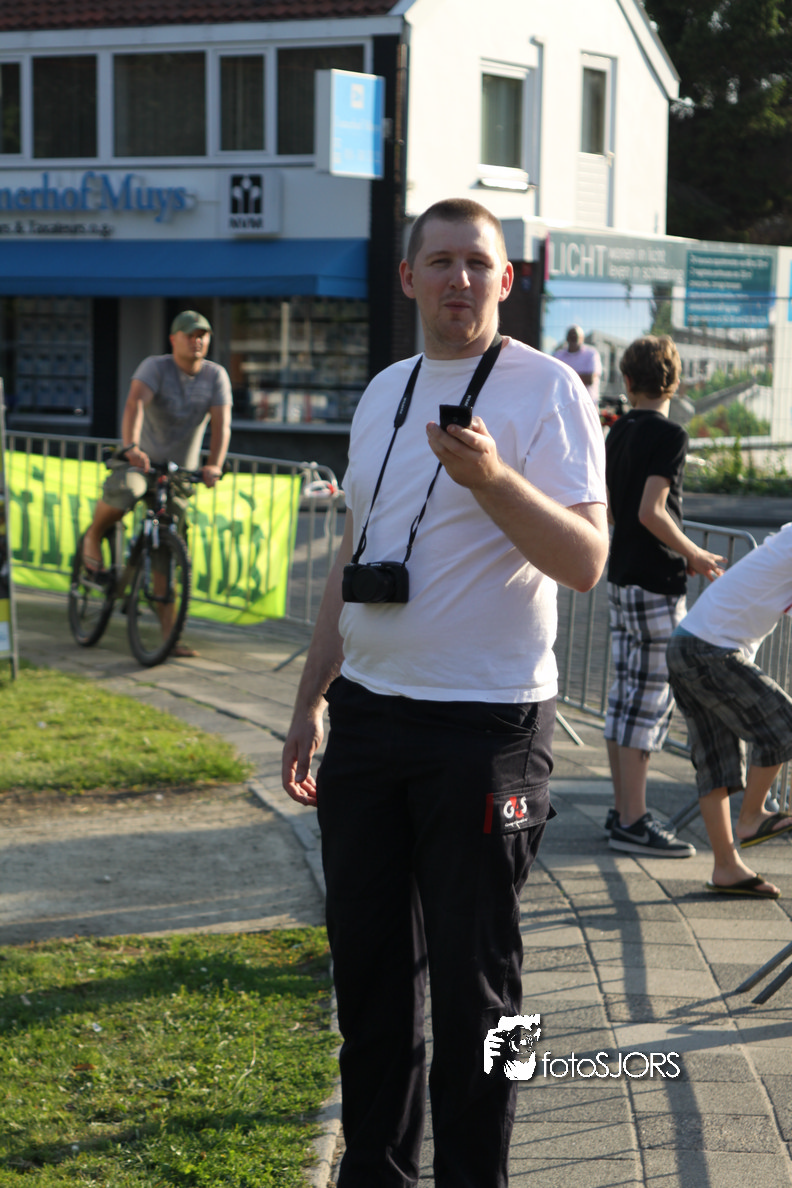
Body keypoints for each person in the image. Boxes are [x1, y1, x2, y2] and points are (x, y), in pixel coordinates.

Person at [281, 198, 609, 1188]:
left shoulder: (548, 390)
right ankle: (375, 1170)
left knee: (484, 987)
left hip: (490, 728)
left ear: (506, 280)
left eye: (478, 262)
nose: (459, 279)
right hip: (370, 720)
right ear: (408, 278)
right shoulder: (384, 390)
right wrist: (310, 699)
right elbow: (353, 559)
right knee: (371, 973)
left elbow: (587, 562)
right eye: (441, 261)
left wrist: (495, 480)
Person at [604, 335, 725, 856]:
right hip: (656, 580)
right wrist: (694, 553)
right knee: (648, 703)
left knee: (624, 697)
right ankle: (634, 821)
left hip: (621, 575)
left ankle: (622, 813)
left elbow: (614, 511)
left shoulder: (618, 430)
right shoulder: (671, 434)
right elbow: (653, 511)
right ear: (673, 382)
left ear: (628, 381)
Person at [81, 310, 231, 657]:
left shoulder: (215, 376)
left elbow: (222, 425)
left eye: (203, 335)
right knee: (129, 491)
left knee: (167, 548)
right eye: (190, 335)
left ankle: (169, 639)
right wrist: (131, 447)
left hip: (179, 473)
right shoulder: (155, 367)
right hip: (140, 461)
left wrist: (214, 464)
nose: (197, 341)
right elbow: (134, 403)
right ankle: (93, 535)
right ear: (173, 339)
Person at [667, 525, 792, 898]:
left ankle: (726, 867)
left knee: (716, 762)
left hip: (688, 646)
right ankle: (751, 817)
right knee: (784, 726)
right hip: (710, 650)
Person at [554, 324, 603, 401]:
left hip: (586, 404)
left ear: (582, 338)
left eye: (575, 335)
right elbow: (553, 377)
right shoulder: (558, 355)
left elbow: (590, 379)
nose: (573, 336)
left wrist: (563, 377)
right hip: (564, 404)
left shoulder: (591, 353)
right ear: (567, 338)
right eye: (571, 335)